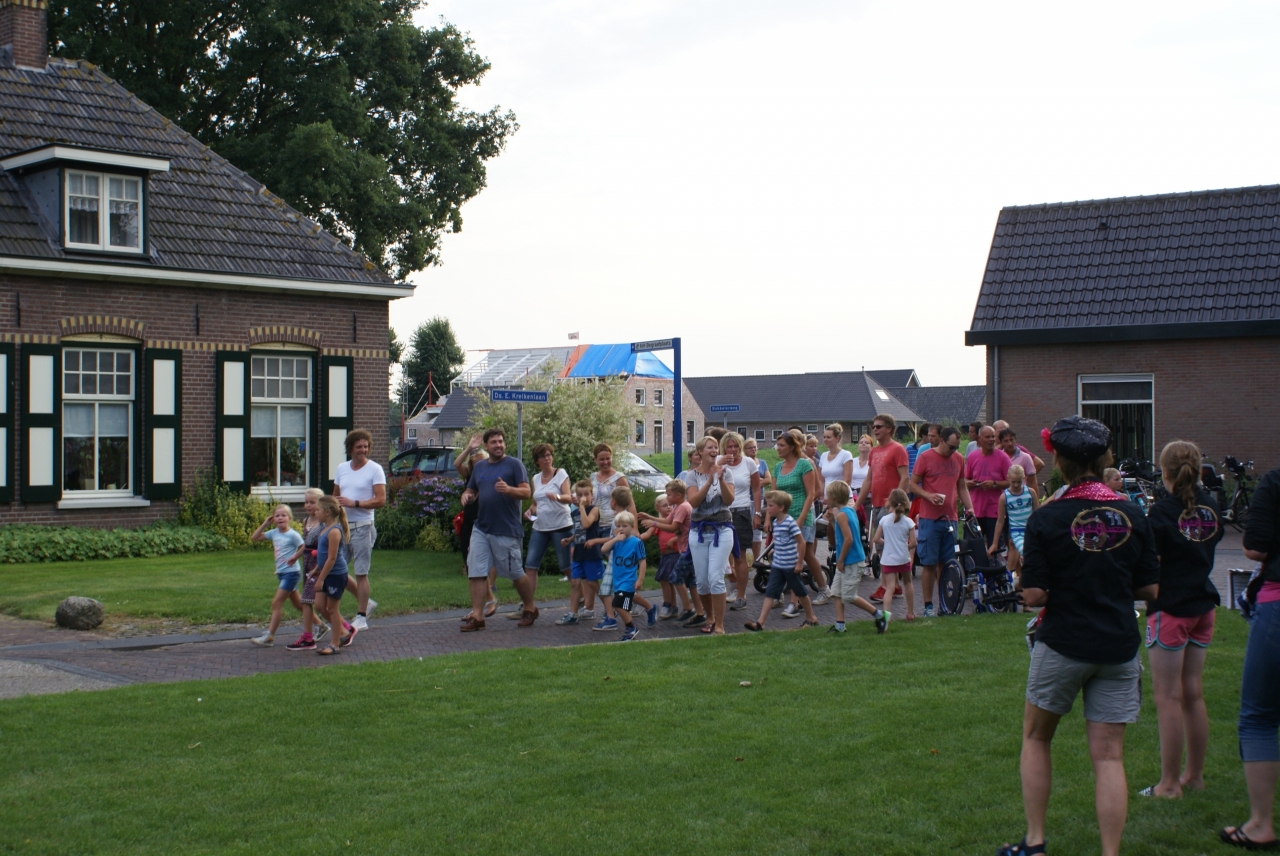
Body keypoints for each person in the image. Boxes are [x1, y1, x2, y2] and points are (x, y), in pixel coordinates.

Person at [997, 416, 1159, 856]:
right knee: (1108, 757)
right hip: (1117, 644)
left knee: (1036, 738)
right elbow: (1150, 589)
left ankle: (1034, 842)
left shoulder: (1047, 516)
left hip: (1063, 642)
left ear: (1059, 461)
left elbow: (1034, 595)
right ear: (1104, 459)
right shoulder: (1133, 513)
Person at [1139, 440, 1222, 801]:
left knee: (1168, 697)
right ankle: (1194, 777)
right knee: (1192, 693)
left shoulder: (1161, 513)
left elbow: (1151, 564)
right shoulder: (1211, 507)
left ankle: (1169, 784)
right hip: (1203, 605)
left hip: (1171, 609)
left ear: (1165, 472)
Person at [1223, 461, 1280, 849]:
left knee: (1259, 717)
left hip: (1277, 605)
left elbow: (1254, 547)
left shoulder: (1274, 483)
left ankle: (1261, 824)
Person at [459, 428, 534, 632]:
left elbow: (526, 492)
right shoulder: (479, 467)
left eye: (501, 441)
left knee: (514, 572)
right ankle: (478, 616)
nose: (498, 445)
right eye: (493, 442)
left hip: (505, 528)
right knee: (475, 571)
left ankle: (530, 608)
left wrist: (509, 490)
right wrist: (467, 495)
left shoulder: (514, 465)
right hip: (481, 527)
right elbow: (472, 490)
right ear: (486, 445)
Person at [909, 425, 974, 618]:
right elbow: (912, 484)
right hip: (929, 518)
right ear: (942, 441)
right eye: (951, 447)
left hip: (950, 518)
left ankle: (944, 604)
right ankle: (928, 606)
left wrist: (970, 508)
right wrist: (928, 496)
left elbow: (961, 486)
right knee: (929, 563)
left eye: (957, 447)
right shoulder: (925, 457)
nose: (953, 451)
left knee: (947, 564)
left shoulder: (958, 459)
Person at [332, 428, 385, 631]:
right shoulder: (342, 468)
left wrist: (355, 503)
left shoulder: (375, 469)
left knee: (361, 572)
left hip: (363, 527)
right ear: (350, 449)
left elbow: (380, 500)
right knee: (337, 569)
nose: (362, 450)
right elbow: (335, 496)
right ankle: (366, 602)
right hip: (343, 527)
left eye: (365, 446)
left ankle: (361, 617)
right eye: (358, 447)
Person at [744, 491, 820, 631]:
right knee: (770, 592)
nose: (768, 508)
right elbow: (780, 540)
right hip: (778, 565)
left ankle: (811, 617)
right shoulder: (776, 523)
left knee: (800, 591)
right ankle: (760, 622)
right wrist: (774, 550)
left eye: (771, 505)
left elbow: (801, 542)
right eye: (767, 505)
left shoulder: (790, 522)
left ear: (781, 507)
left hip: (790, 566)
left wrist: (799, 563)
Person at [773, 428, 828, 615]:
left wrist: (802, 518)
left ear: (791, 447)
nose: (778, 448)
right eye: (777, 445)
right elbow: (774, 495)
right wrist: (770, 517)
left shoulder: (805, 464)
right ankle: (824, 588)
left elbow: (812, 493)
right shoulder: (777, 467)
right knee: (807, 556)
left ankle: (794, 602)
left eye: (781, 445)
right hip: (784, 518)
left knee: (796, 556)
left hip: (801, 516)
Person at [687, 435, 736, 635]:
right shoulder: (691, 476)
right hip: (698, 532)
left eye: (716, 447)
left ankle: (720, 624)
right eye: (710, 447)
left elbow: (729, 500)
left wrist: (720, 479)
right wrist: (709, 480)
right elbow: (694, 502)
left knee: (716, 577)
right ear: (700, 452)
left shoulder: (727, 472)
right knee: (702, 581)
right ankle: (709, 617)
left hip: (722, 529)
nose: (714, 450)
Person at [517, 443, 572, 617]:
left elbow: (569, 497)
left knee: (566, 567)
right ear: (537, 461)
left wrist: (557, 496)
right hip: (540, 526)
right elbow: (536, 503)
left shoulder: (560, 474)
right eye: (543, 456)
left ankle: (583, 597)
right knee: (530, 566)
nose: (547, 459)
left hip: (561, 525)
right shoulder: (535, 478)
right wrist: (530, 511)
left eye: (549, 455)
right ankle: (527, 606)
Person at [826, 480, 888, 632]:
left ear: (834, 497)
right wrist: (832, 520)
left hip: (851, 560)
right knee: (836, 593)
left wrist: (840, 560)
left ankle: (880, 615)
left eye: (828, 496)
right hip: (849, 559)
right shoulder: (849, 511)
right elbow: (841, 534)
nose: (826, 499)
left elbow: (848, 539)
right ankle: (840, 626)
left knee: (848, 596)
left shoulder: (842, 515)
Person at [589, 444, 636, 633]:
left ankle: (616, 611)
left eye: (608, 458)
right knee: (599, 573)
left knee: (616, 572)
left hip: (615, 525)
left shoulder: (619, 478)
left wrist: (634, 527)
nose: (605, 462)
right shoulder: (593, 477)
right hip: (597, 525)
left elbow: (629, 502)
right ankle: (615, 608)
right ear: (595, 460)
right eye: (601, 459)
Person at [854, 414, 909, 569]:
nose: (875, 429)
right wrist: (857, 505)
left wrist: (895, 503)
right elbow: (868, 480)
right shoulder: (874, 451)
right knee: (879, 545)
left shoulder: (897, 449)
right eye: (874, 427)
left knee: (888, 545)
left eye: (879, 426)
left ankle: (893, 579)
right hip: (876, 504)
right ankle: (888, 579)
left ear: (889, 429)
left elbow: (904, 477)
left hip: (890, 504)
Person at [250, 504, 306, 647]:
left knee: (276, 603)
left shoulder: (293, 534)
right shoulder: (274, 533)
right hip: (281, 573)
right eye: (277, 516)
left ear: (289, 518)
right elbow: (255, 537)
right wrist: (265, 524)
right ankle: (321, 626)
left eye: (283, 515)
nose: (280, 518)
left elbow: (304, 546)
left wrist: (295, 556)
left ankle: (269, 637)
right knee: (299, 605)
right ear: (273, 519)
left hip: (291, 574)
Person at [286, 489, 334, 651]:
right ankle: (344, 629)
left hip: (316, 565)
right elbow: (306, 545)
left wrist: (319, 564)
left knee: (307, 601)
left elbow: (324, 545)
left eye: (312, 502)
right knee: (314, 603)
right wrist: (295, 556)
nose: (308, 505)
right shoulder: (306, 521)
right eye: (306, 502)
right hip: (307, 563)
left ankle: (308, 637)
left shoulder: (322, 524)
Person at [640, 480, 694, 620]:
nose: (667, 497)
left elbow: (672, 527)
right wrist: (649, 517)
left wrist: (653, 523)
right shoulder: (678, 507)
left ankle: (688, 609)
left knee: (677, 578)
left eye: (669, 495)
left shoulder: (683, 508)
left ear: (678, 495)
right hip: (684, 549)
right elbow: (668, 520)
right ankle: (692, 609)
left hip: (686, 549)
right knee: (688, 581)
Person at [455, 435, 496, 620]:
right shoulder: (469, 476)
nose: (478, 464)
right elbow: (457, 464)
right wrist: (469, 448)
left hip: (485, 522)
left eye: (481, 460)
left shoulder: (490, 476)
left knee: (478, 566)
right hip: (469, 522)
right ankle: (484, 603)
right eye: (474, 461)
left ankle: (488, 600)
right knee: (470, 564)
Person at [720, 432, 761, 612]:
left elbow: (756, 489)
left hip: (741, 511)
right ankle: (722, 590)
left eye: (736, 446)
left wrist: (757, 513)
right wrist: (720, 464)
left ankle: (741, 595)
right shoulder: (719, 462)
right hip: (721, 512)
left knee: (740, 556)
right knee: (720, 555)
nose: (733, 450)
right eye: (729, 446)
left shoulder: (748, 463)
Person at [593, 511, 647, 641]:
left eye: (624, 526)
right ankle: (630, 628)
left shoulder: (636, 542)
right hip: (617, 580)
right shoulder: (616, 541)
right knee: (621, 606)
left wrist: (640, 579)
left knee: (618, 604)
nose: (621, 529)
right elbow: (603, 549)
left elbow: (642, 561)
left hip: (628, 581)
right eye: (618, 526)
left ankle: (631, 627)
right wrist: (615, 539)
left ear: (632, 526)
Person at [556, 480, 604, 626]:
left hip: (591, 553)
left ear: (592, 495)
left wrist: (582, 507)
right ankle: (573, 614)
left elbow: (586, 524)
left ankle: (610, 606)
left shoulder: (594, 510)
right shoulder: (575, 512)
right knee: (575, 583)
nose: (583, 497)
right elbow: (580, 530)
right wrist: (570, 539)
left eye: (586, 494)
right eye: (580, 495)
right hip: (579, 553)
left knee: (592, 582)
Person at [313, 495, 355, 655]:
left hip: (335, 575)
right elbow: (324, 555)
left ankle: (334, 644)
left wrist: (321, 578)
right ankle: (343, 632)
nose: (315, 513)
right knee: (319, 605)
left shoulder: (335, 531)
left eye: (318, 510)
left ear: (327, 512)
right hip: (326, 573)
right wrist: (317, 568)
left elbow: (332, 558)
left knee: (332, 609)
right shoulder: (324, 529)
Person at [872, 488, 916, 628]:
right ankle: (910, 613)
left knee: (889, 588)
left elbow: (876, 539)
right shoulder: (909, 522)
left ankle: (886, 617)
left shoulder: (884, 520)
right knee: (908, 583)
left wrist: (887, 543)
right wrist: (905, 546)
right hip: (903, 557)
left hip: (888, 559)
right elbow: (913, 543)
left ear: (889, 502)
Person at [965, 425, 1012, 552]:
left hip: (994, 510)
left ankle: (994, 564)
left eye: (993, 437)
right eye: (987, 437)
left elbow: (1010, 482)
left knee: (995, 547)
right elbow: (964, 480)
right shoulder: (972, 457)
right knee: (973, 547)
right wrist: (970, 483)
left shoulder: (1003, 457)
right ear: (979, 439)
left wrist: (994, 484)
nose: (991, 440)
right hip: (975, 508)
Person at [988, 465, 1039, 575]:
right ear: (1008, 478)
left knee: (1030, 554)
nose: (1016, 485)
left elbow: (1037, 514)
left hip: (1030, 529)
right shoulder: (1004, 497)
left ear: (1024, 478)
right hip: (1016, 530)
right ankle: (1009, 575)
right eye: (1013, 482)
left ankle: (1020, 578)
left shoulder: (1030, 493)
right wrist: (994, 543)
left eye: (1019, 482)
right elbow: (1000, 521)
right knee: (1017, 547)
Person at [744, 437, 771, 564]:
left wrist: (755, 482)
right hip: (745, 499)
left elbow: (769, 480)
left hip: (758, 500)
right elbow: (745, 481)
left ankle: (756, 559)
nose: (753, 449)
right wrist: (759, 480)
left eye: (755, 447)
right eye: (750, 448)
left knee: (757, 530)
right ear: (745, 450)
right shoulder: (744, 463)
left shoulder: (762, 463)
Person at [999, 428, 1042, 498]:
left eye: (1011, 440)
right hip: (1003, 497)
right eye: (1006, 441)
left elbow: (1033, 481)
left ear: (1015, 440)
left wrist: (1036, 501)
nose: (1009, 443)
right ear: (1001, 443)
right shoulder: (998, 457)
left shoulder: (1025, 457)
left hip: (1022, 497)